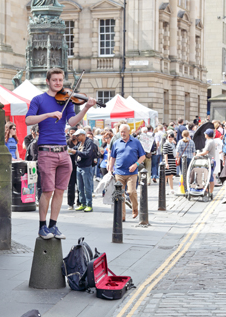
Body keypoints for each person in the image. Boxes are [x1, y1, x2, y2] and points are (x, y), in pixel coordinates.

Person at [25, 67, 96, 239]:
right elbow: (28, 120)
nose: (58, 83)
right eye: (55, 80)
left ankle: (53, 226)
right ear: (48, 81)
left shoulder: (68, 100)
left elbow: (71, 121)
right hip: (46, 151)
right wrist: (48, 114)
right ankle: (42, 227)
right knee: (47, 191)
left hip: (63, 152)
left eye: (60, 80)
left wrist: (85, 108)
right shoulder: (38, 99)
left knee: (59, 191)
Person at [109, 124, 146, 221]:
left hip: (132, 173)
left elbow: (143, 156)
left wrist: (135, 165)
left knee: (131, 192)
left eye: (124, 131)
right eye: (121, 131)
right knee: (120, 195)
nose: (122, 133)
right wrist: (110, 169)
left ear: (129, 131)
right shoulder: (116, 142)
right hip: (119, 172)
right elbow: (112, 157)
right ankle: (122, 216)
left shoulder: (136, 142)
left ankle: (135, 209)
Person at [72, 129, 94, 212]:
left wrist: (76, 152)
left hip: (86, 167)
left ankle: (89, 205)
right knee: (80, 188)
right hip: (79, 167)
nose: (76, 137)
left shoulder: (89, 142)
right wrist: (71, 150)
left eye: (77, 136)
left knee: (87, 187)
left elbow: (88, 154)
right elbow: (75, 149)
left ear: (82, 135)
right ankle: (83, 203)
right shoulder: (80, 143)